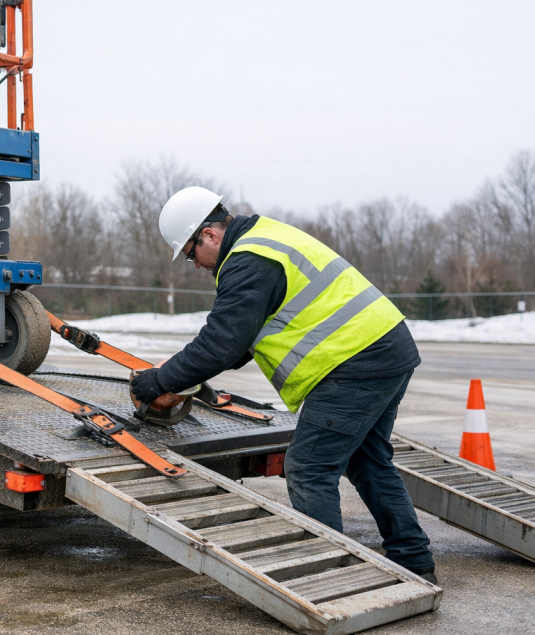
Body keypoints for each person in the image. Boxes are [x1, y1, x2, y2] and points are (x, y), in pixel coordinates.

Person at [129, 186, 436, 583]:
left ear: (208, 235)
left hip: (355, 362)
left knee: (308, 469)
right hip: (385, 349)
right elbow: (240, 340)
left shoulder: (247, 260)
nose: (194, 264)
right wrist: (181, 372)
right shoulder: (265, 238)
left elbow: (222, 343)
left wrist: (159, 381)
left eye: (190, 253)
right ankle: (414, 560)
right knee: (367, 460)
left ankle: (328, 579)